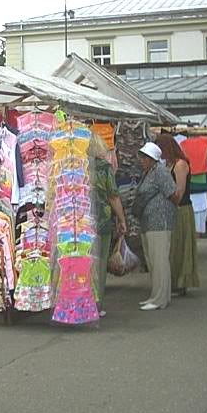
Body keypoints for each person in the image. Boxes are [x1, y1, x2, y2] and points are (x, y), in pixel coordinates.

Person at [131, 142, 177, 311]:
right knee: (153, 261)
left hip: (159, 222)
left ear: (152, 159)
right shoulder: (149, 173)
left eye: (145, 157)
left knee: (159, 261)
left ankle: (160, 299)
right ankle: (156, 295)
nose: (142, 160)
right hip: (149, 223)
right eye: (142, 157)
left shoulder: (160, 172)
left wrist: (163, 210)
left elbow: (173, 193)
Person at [155, 134, 199, 296]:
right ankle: (173, 281)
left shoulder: (180, 165)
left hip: (180, 209)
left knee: (180, 247)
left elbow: (179, 191)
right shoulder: (169, 164)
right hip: (172, 209)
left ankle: (180, 282)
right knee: (172, 247)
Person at [88, 133, 127, 318]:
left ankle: (82, 302)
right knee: (100, 262)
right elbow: (113, 196)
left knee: (85, 263)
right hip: (102, 220)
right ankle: (97, 304)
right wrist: (122, 219)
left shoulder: (78, 166)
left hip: (81, 221)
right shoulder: (104, 168)